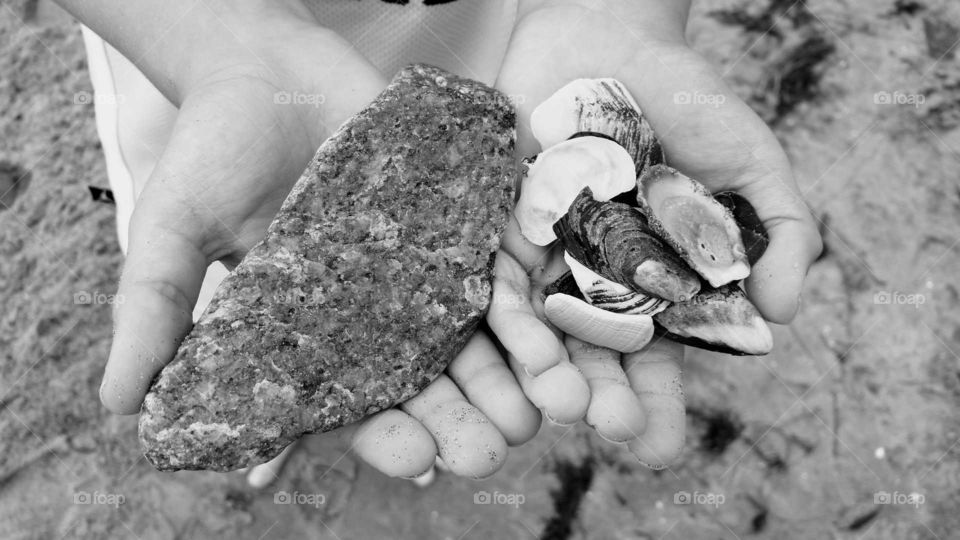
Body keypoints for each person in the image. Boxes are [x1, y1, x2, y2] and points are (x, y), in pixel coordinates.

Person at [59, 0, 822, 487]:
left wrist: (621, 14)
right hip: (192, 32)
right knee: (226, 262)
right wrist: (217, 44)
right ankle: (288, 420)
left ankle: (303, 415)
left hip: (514, 33)